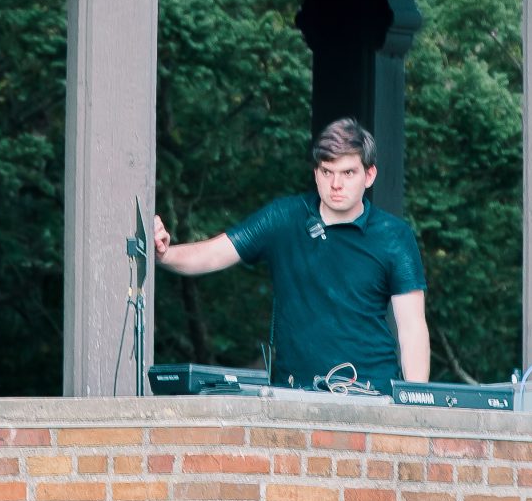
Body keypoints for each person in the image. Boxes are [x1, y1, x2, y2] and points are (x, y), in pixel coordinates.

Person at [152, 117, 430, 390]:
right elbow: (214, 253)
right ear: (316, 173)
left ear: (369, 175)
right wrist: (164, 254)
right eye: (327, 171)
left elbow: (412, 328)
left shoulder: (394, 235)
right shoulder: (284, 218)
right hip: (295, 395)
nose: (336, 184)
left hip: (373, 392)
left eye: (348, 173)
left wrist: (417, 404)